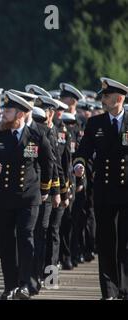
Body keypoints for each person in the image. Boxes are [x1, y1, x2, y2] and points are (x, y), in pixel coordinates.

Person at [0, 91, 54, 299]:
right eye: (4, 109)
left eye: (9, 110)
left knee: (26, 239)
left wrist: (45, 190)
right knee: (5, 242)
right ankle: (10, 285)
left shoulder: (36, 135)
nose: (4, 113)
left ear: (21, 114)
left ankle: (26, 284)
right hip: (2, 197)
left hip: (28, 196)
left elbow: (48, 164)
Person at [73, 77, 128, 300]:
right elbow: (83, 151)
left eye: (106, 96)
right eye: (102, 96)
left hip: (126, 191)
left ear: (119, 98)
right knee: (105, 242)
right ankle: (109, 291)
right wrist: (79, 164)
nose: (102, 100)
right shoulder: (96, 124)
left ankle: (124, 289)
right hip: (104, 190)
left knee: (125, 243)